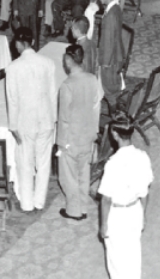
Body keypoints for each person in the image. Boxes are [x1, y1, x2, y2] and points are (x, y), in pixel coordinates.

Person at [5, 27, 58, 213]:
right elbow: (52, 94)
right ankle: (39, 201)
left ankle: (27, 203)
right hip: (46, 119)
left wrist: (13, 126)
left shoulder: (13, 68)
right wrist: (53, 119)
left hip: (25, 122)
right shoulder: (48, 63)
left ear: (18, 44)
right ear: (33, 42)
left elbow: (12, 100)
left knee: (25, 163)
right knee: (43, 162)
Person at [98, 114, 153, 279]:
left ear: (115, 134)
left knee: (116, 260)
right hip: (135, 210)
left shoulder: (112, 163)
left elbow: (106, 200)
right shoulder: (143, 156)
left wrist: (103, 225)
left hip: (117, 215)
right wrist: (143, 215)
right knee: (133, 255)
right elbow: (145, 192)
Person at [57, 44, 103, 221]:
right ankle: (83, 206)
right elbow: (96, 107)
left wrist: (61, 143)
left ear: (68, 61)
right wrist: (94, 132)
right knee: (84, 173)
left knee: (68, 176)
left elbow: (64, 118)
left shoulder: (67, 85)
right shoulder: (92, 79)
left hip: (71, 139)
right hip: (88, 135)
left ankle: (73, 210)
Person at [96, 0, 125, 106]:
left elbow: (108, 41)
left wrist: (105, 63)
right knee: (114, 85)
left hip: (111, 59)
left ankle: (114, 113)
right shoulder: (116, 8)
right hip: (117, 53)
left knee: (109, 89)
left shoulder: (110, 16)